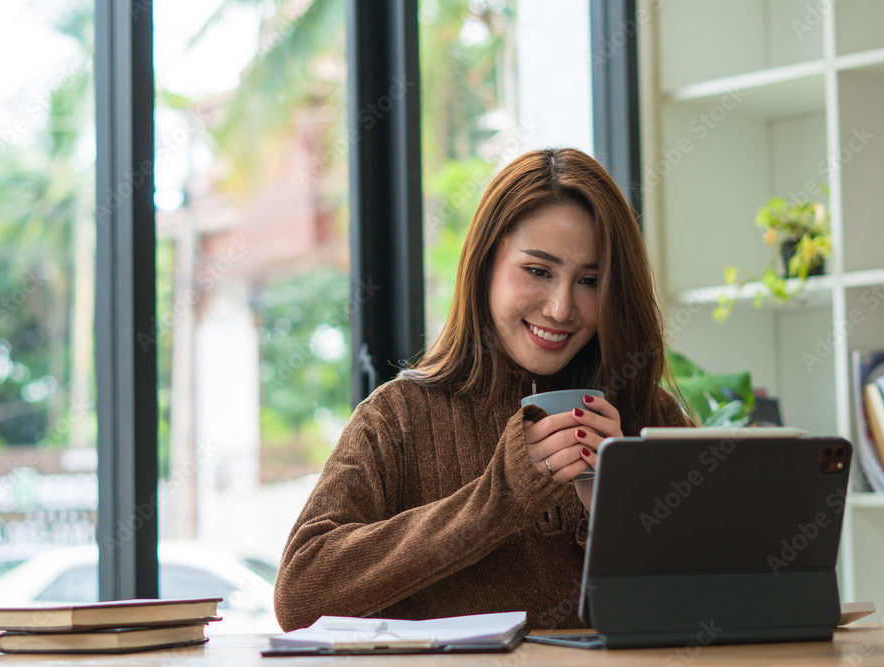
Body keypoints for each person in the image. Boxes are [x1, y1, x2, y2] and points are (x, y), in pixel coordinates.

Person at [274, 147, 692, 632]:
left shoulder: (647, 414)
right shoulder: (398, 417)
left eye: (590, 280)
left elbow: (720, 603)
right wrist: (502, 497)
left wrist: (618, 513)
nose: (561, 308)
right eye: (538, 271)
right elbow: (300, 596)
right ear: (485, 262)